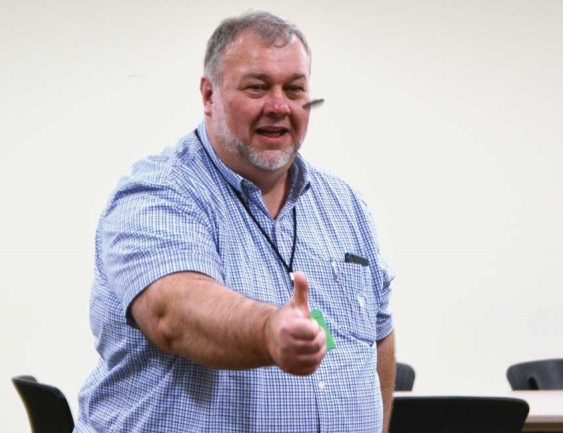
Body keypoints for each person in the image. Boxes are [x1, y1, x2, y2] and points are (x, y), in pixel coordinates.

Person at [75, 9, 396, 433]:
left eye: (294, 89)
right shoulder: (157, 192)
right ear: (209, 96)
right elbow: (175, 314)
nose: (279, 106)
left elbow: (379, 335)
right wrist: (268, 331)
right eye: (258, 87)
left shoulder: (344, 204)